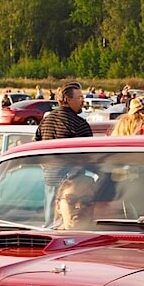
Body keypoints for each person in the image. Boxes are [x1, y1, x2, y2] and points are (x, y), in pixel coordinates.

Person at [36, 82, 93, 217]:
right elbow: (90, 154)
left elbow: (36, 145)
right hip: (73, 183)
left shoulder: (47, 120)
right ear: (67, 100)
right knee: (70, 221)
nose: (82, 101)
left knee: (50, 221)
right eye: (79, 97)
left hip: (50, 178)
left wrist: (45, 166)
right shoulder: (79, 124)